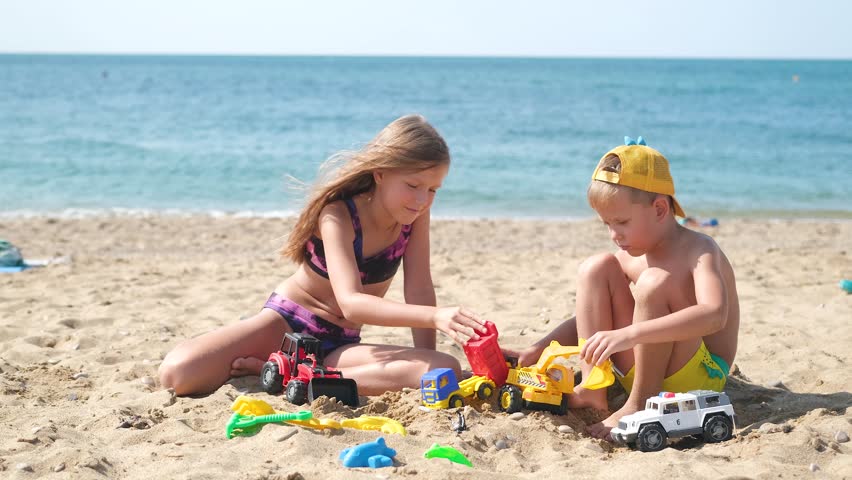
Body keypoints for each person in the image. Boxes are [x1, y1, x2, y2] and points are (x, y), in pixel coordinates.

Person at [159, 114, 487, 397]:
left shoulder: (414, 216)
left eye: (433, 190)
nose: (422, 200)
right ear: (381, 173)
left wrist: (424, 358)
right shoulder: (338, 215)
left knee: (443, 369)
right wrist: (435, 316)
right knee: (178, 374)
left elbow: (418, 288)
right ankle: (291, 367)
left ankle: (297, 376)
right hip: (286, 324)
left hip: (341, 344)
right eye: (413, 185)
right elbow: (351, 302)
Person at [511, 136, 739, 440]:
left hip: (699, 376)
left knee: (654, 282)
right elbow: (594, 316)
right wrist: (538, 349)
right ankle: (595, 388)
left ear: (659, 209)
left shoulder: (699, 249)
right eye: (606, 224)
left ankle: (638, 403)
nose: (614, 234)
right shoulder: (631, 255)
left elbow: (714, 315)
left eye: (621, 222)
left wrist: (630, 334)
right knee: (596, 267)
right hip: (649, 365)